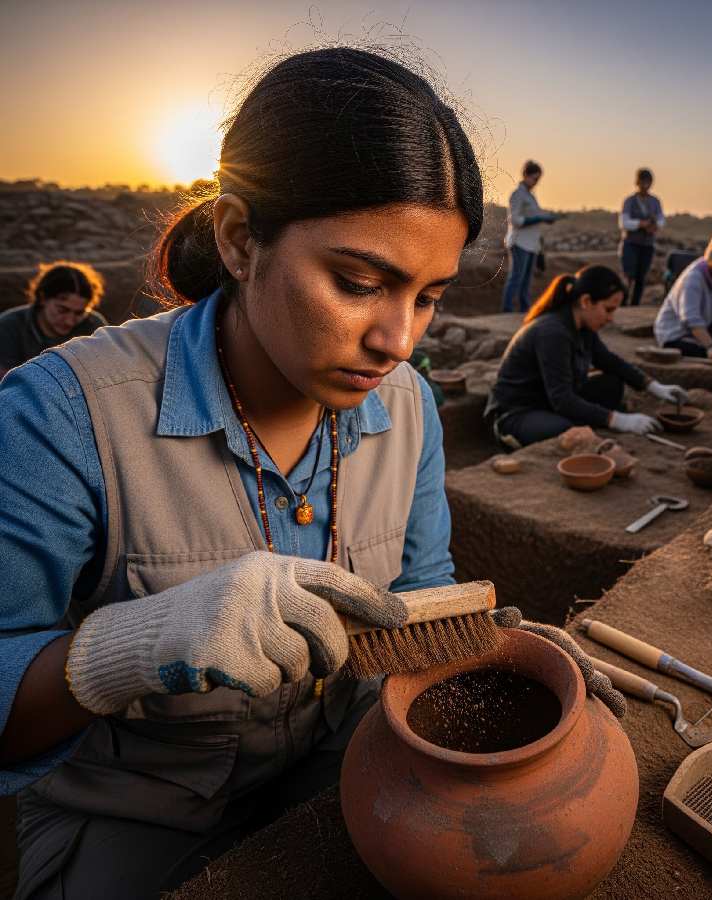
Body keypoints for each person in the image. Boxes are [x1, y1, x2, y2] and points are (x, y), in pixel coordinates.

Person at [0, 49, 624, 900]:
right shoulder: (59, 416)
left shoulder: (406, 406)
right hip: (133, 816)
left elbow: (417, 594)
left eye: (431, 295)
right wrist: (128, 648)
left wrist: (490, 657)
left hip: (343, 769)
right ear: (238, 238)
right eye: (361, 282)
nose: (398, 340)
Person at [486, 265, 689, 447]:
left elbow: (610, 361)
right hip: (518, 412)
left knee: (611, 384)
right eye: (608, 309)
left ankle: (583, 420)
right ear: (586, 301)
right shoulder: (552, 333)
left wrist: (653, 386)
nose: (611, 318)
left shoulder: (582, 328)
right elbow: (562, 399)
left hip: (547, 401)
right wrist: (618, 420)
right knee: (565, 431)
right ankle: (515, 438)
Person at [0, 261, 107, 378]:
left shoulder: (94, 326)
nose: (69, 321)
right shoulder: (9, 326)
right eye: (62, 310)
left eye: (79, 313)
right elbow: (7, 381)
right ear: (42, 298)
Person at [653, 229, 712, 360]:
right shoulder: (693, 279)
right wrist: (711, 346)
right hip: (675, 333)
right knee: (707, 353)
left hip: (701, 328)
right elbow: (691, 319)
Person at [501, 160, 561, 312]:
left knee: (526, 281)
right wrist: (538, 219)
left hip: (532, 244)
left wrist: (547, 217)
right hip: (519, 242)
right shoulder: (517, 194)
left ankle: (524, 310)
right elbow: (515, 220)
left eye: (538, 180)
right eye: (534, 179)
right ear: (526, 175)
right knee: (516, 278)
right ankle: (507, 310)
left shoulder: (530, 196)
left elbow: (536, 214)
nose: (536, 183)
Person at [619, 168, 665, 306]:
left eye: (648, 182)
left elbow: (661, 220)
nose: (645, 185)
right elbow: (624, 222)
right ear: (637, 183)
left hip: (647, 244)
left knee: (641, 277)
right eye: (643, 182)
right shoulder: (630, 201)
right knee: (629, 275)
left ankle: (635, 304)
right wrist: (641, 224)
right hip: (631, 243)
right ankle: (622, 303)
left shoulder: (655, 202)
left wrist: (654, 225)